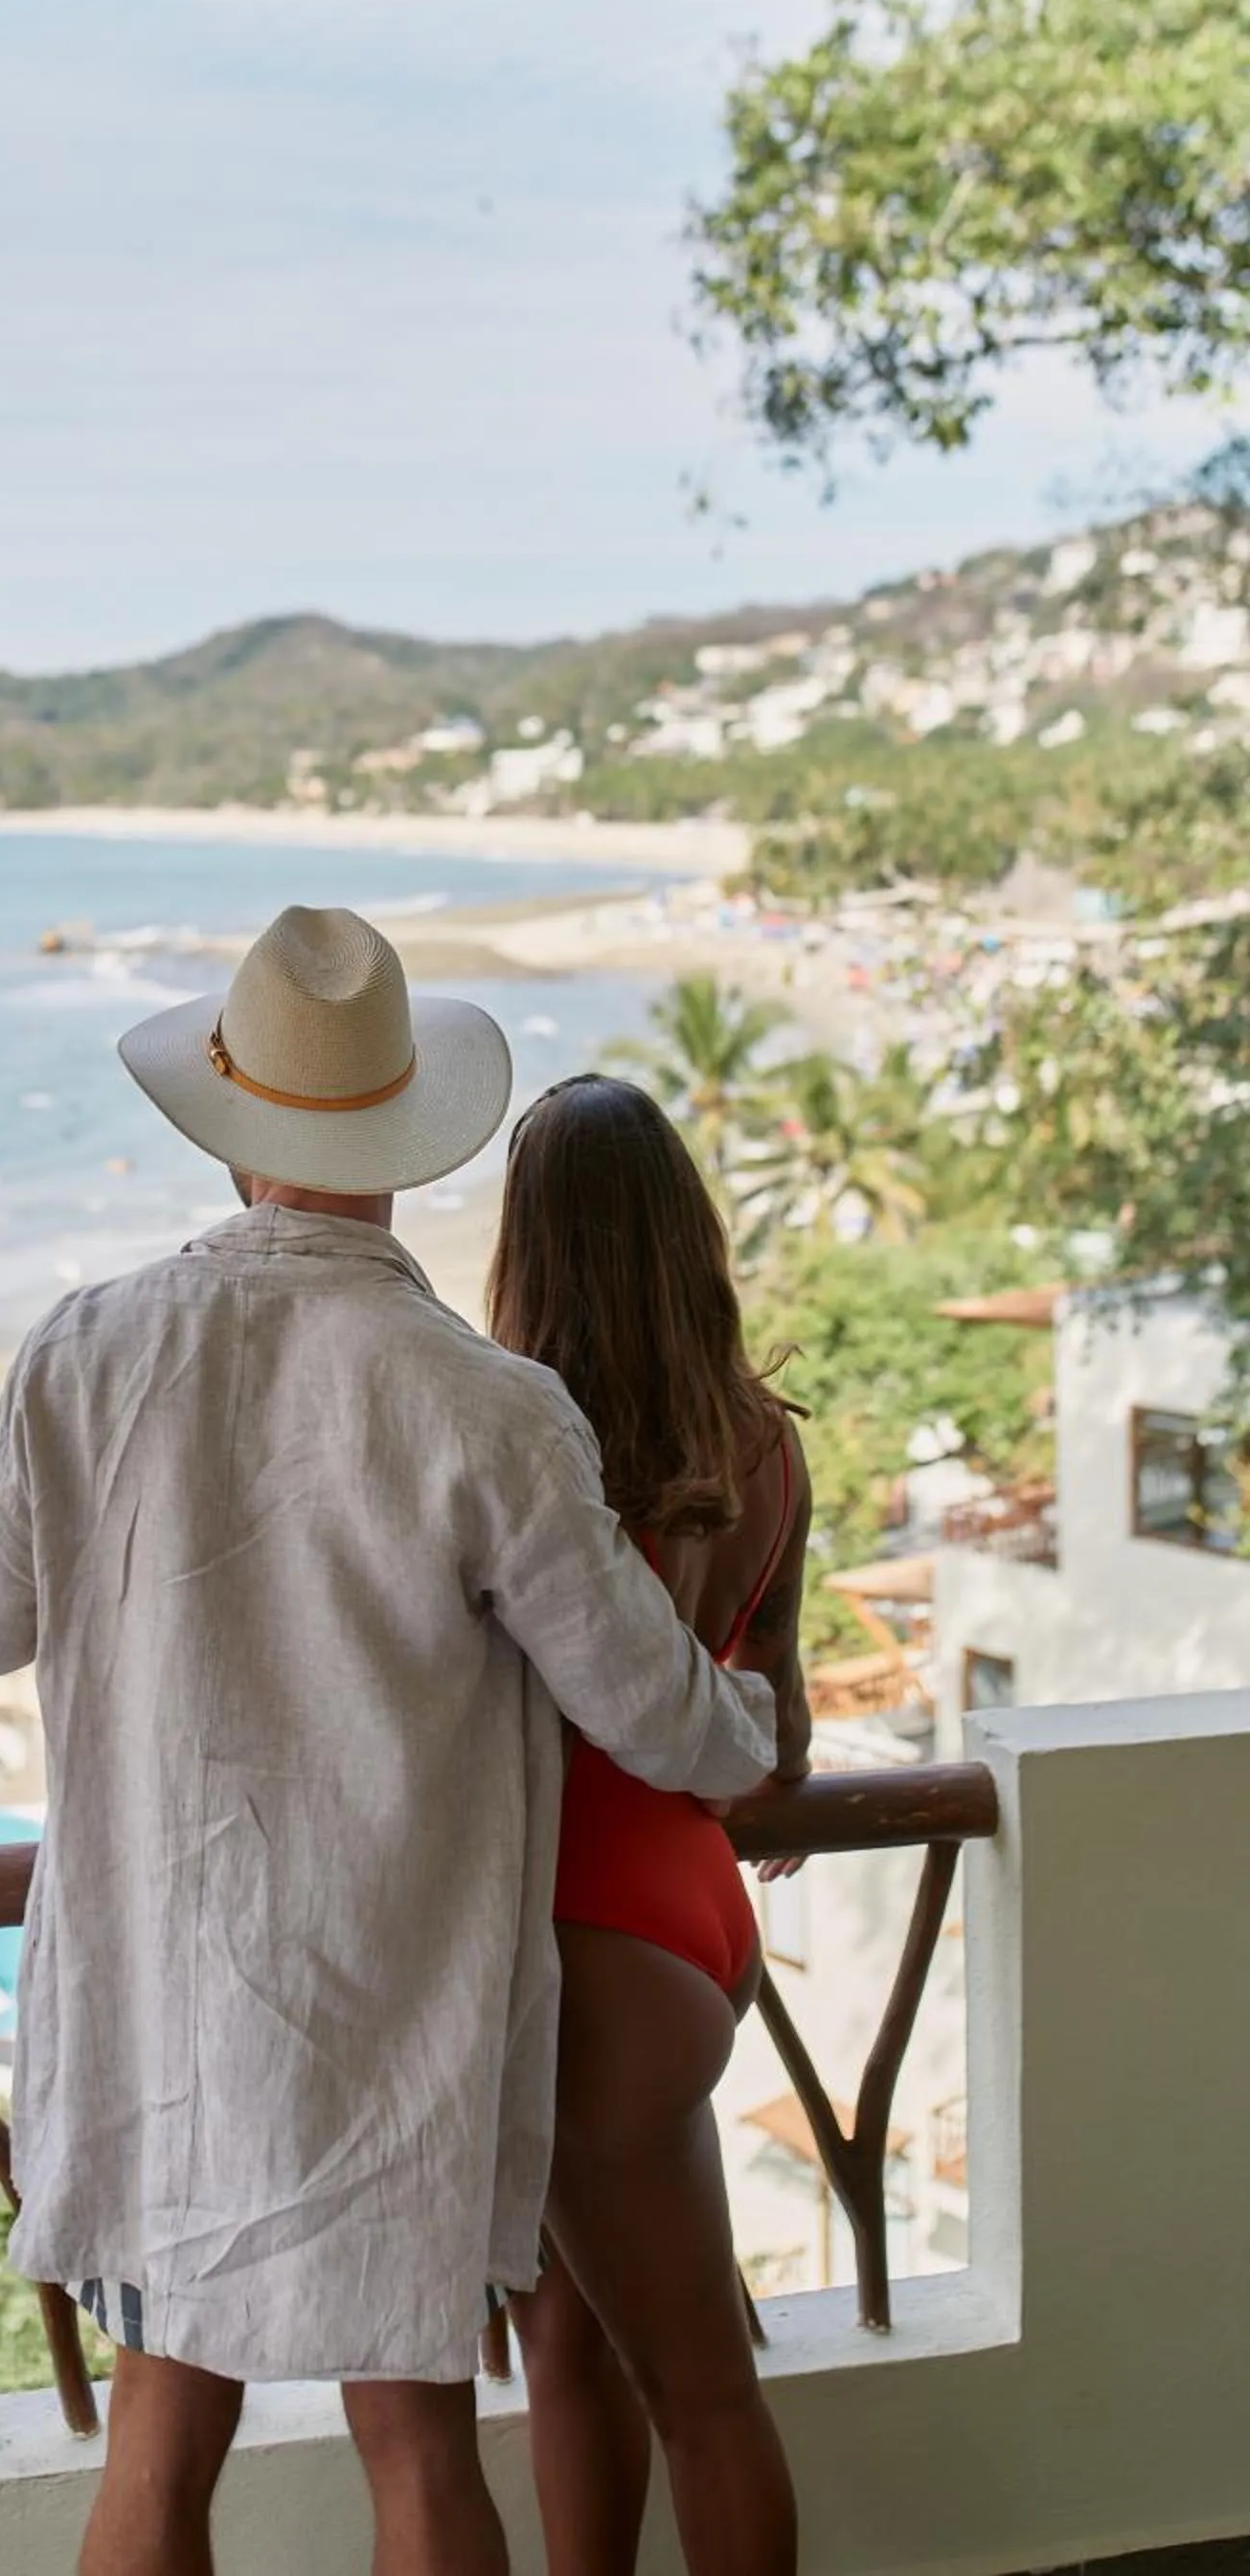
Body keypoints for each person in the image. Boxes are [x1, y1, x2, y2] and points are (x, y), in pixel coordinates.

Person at [0, 911, 776, 2576]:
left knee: (157, 2455)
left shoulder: (85, 1351)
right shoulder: (481, 1403)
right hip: (392, 2025)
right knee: (422, 2457)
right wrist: (761, 1730)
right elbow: (651, 1708)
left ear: (233, 1131)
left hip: (156, 2009)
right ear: (401, 1133)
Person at [487, 1073, 810, 2576]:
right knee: (593, 2358)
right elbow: (775, 1740)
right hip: (692, 1916)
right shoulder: (763, 1443)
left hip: (579, 1943)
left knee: (695, 2392)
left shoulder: (531, 1452)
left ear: (531, 1246)